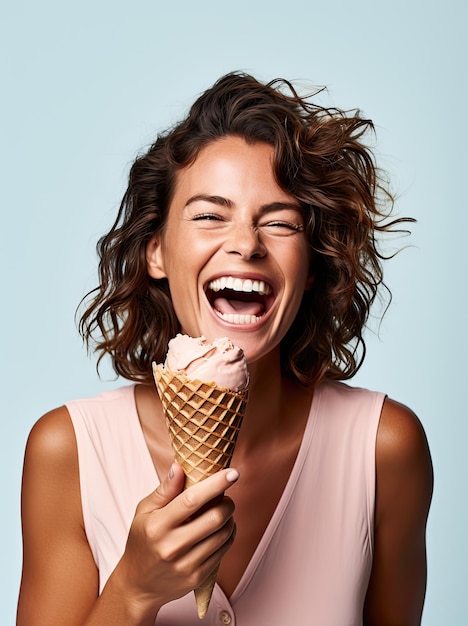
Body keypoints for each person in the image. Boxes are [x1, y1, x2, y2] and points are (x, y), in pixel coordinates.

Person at [17, 72, 433, 626]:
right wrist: (133, 591)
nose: (246, 244)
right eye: (210, 215)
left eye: (280, 222)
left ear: (309, 269)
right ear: (156, 253)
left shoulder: (384, 448)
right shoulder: (68, 450)